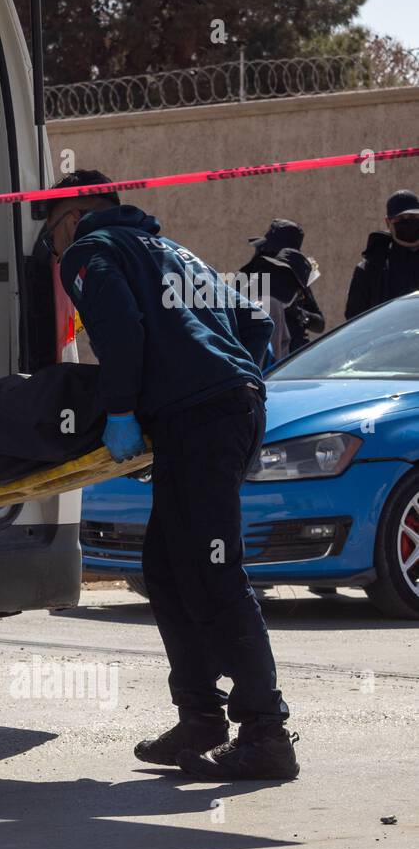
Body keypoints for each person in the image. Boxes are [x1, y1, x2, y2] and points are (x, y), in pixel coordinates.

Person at [43, 170, 299, 781]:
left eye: (50, 230)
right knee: (164, 564)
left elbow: (119, 326)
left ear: (74, 215)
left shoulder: (90, 250)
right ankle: (201, 718)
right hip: (224, 412)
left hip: (202, 421)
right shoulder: (173, 251)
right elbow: (255, 323)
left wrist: (124, 407)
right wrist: (226, 382)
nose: (51, 245)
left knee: (213, 569)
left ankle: (266, 732)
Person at [240, 220, 324, 353]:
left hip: (294, 354)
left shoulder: (295, 279)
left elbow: (319, 324)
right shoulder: (252, 276)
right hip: (262, 350)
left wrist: (298, 313)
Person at [345, 189, 419, 320]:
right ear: (388, 222)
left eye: (413, 217)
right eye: (401, 218)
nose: (408, 222)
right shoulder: (371, 268)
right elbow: (355, 319)